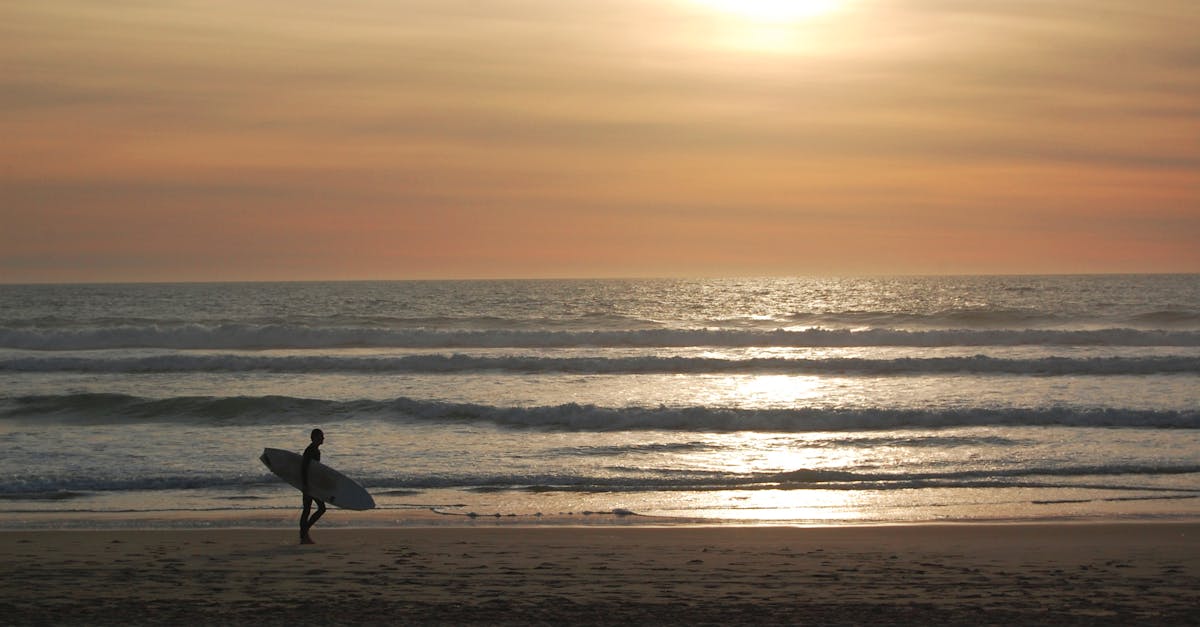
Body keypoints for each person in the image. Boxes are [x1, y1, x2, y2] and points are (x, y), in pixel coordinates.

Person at [299, 428, 326, 544]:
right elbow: (304, 468)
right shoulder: (310, 450)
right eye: (321, 436)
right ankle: (304, 533)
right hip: (308, 485)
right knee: (320, 508)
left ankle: (304, 535)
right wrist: (305, 485)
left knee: (307, 510)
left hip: (312, 484)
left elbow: (315, 469)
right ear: (314, 438)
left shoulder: (316, 450)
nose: (323, 438)